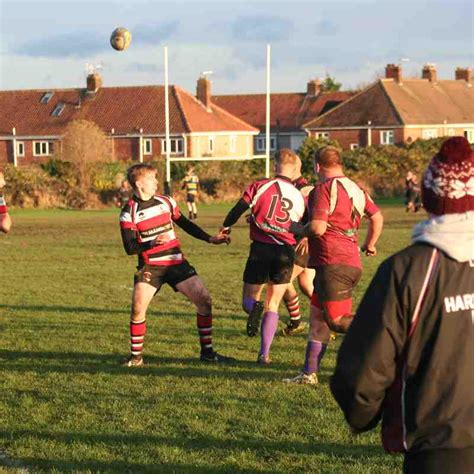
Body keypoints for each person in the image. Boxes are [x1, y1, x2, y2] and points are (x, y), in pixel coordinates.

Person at [330, 136, 474, 474]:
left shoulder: (408, 269)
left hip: (439, 448)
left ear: (428, 198)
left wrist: (362, 414)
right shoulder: (410, 269)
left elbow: (364, 365)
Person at [283, 145, 383, 384]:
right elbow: (377, 217)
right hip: (346, 262)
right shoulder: (356, 188)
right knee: (318, 320)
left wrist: (297, 228)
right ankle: (308, 374)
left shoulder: (323, 189)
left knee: (336, 321)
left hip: (333, 264)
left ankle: (385, 329)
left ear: (317, 166)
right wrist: (370, 244)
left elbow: (317, 228)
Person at [119, 163, 234, 367]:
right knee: (137, 308)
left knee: (204, 300)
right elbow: (129, 247)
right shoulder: (129, 212)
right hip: (151, 267)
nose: (156, 182)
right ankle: (136, 357)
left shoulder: (166, 202)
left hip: (176, 262)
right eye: (152, 179)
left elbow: (186, 224)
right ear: (139, 184)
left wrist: (210, 239)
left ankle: (207, 353)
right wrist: (151, 243)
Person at [220, 149, 305, 365]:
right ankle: (264, 354)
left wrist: (226, 227)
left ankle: (253, 309)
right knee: (274, 304)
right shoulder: (297, 195)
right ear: (294, 168)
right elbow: (298, 227)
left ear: (275, 165)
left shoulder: (260, 185)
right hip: (285, 251)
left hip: (261, 249)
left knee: (249, 301)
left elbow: (237, 209)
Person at [280, 175, 315, 336]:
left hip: (304, 243)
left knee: (282, 279)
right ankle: (328, 321)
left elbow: (317, 213)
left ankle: (296, 321)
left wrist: (308, 235)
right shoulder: (287, 187)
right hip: (300, 242)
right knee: (307, 286)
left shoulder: (304, 189)